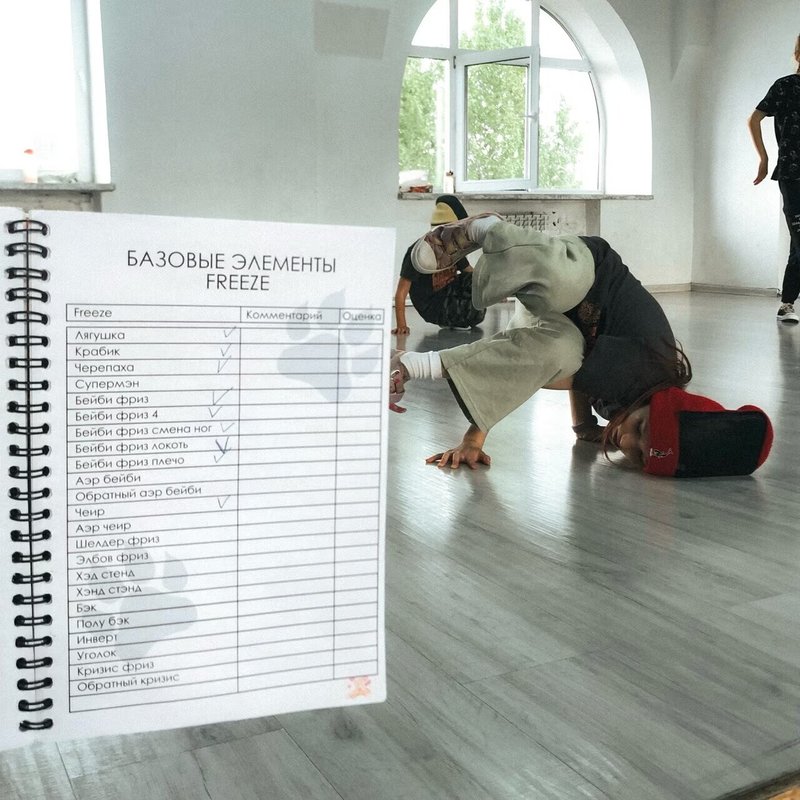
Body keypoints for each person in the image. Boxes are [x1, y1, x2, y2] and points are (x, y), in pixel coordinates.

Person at [389, 214, 773, 477]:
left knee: (563, 351)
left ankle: (420, 343)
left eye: (638, 454)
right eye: (640, 429)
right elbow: (540, 374)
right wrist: (476, 432)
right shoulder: (647, 369)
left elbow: (574, 365)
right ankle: (486, 230)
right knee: (561, 287)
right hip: (584, 270)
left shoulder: (633, 399)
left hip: (550, 322)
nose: (626, 441)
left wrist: (583, 424)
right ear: (661, 401)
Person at [748, 34, 800, 324]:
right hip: (793, 174)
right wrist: (764, 158)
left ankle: (787, 303)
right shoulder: (785, 87)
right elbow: (754, 118)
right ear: (798, 55)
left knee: (797, 244)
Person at [392, 195, 486, 334]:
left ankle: (460, 317)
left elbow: (470, 273)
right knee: (470, 311)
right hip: (431, 305)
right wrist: (402, 325)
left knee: (477, 283)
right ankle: (454, 318)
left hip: (448, 293)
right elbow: (401, 292)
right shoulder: (418, 253)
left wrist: (492, 290)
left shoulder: (452, 247)